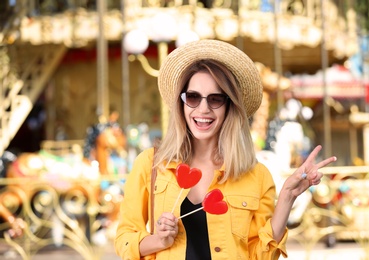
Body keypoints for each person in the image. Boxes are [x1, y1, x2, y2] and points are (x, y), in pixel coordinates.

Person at [115, 39, 337, 259]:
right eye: (193, 97)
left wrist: (287, 197)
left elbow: (260, 256)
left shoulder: (257, 176)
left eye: (215, 99)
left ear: (229, 106)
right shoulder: (151, 164)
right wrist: (158, 240)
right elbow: (124, 239)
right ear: (181, 103)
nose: (203, 109)